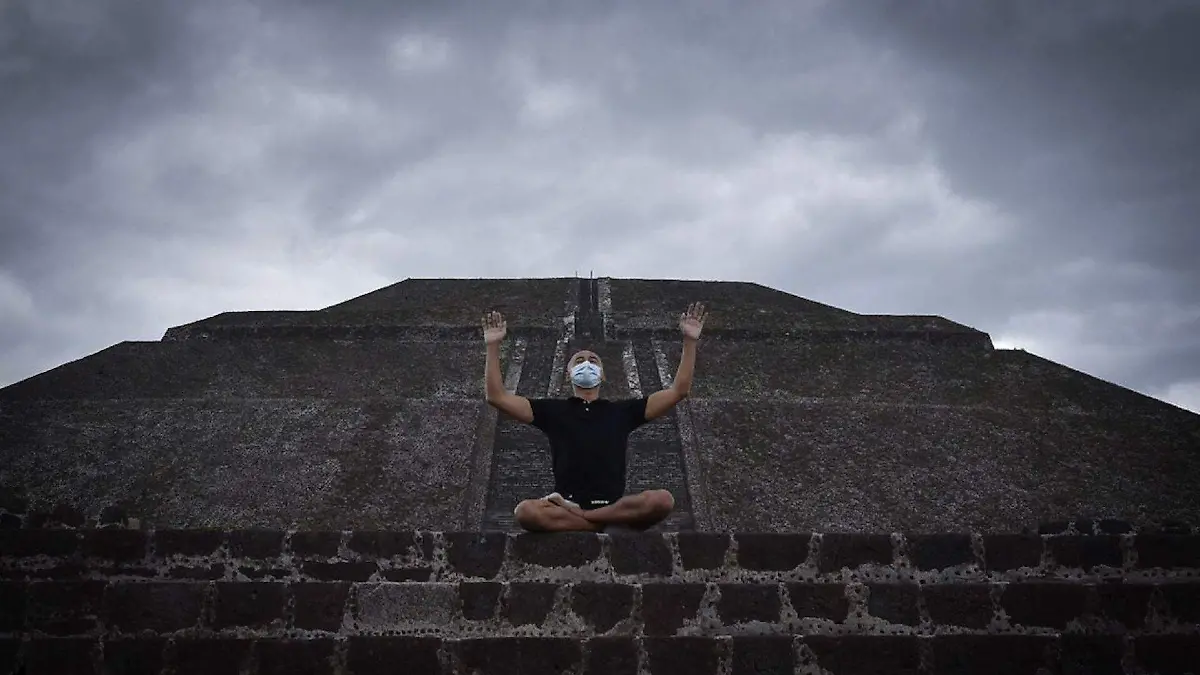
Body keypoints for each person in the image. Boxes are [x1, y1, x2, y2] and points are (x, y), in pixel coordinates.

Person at [482, 302, 706, 532]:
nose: (587, 363)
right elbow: (496, 397)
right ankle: (602, 523)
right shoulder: (552, 411)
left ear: (603, 375)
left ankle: (586, 518)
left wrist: (690, 341)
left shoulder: (622, 412)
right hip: (567, 503)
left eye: (593, 360)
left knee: (662, 500)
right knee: (526, 512)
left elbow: (678, 391)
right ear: (568, 375)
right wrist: (493, 345)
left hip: (613, 504)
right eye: (579, 361)